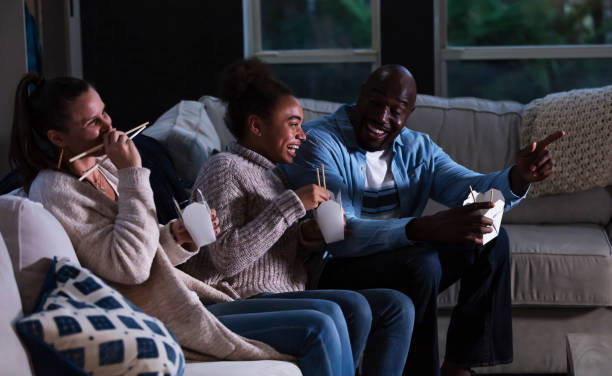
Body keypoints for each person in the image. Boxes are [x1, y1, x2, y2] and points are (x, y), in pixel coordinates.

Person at [10, 73, 358, 376]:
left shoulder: (103, 168)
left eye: (104, 112)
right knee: (319, 325)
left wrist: (175, 238)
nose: (108, 126)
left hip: (181, 292)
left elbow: (143, 250)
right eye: (92, 123)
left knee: (334, 311)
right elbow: (129, 268)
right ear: (57, 138)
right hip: (152, 312)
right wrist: (133, 173)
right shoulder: (55, 190)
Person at [282, 64, 565, 376]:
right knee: (422, 261)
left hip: (402, 257)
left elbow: (471, 191)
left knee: (491, 235)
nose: (382, 117)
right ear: (360, 96)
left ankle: (458, 367)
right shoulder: (319, 143)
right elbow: (336, 234)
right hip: (334, 267)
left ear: (410, 112)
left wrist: (518, 178)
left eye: (396, 110)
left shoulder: (417, 149)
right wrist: (420, 228)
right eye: (375, 103)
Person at [182, 58, 415, 376]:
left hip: (285, 296)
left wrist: (306, 238)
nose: (303, 135)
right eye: (293, 124)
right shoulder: (224, 167)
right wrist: (293, 204)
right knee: (352, 308)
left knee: (396, 306)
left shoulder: (275, 176)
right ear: (256, 126)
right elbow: (226, 258)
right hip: (232, 299)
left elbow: (272, 252)